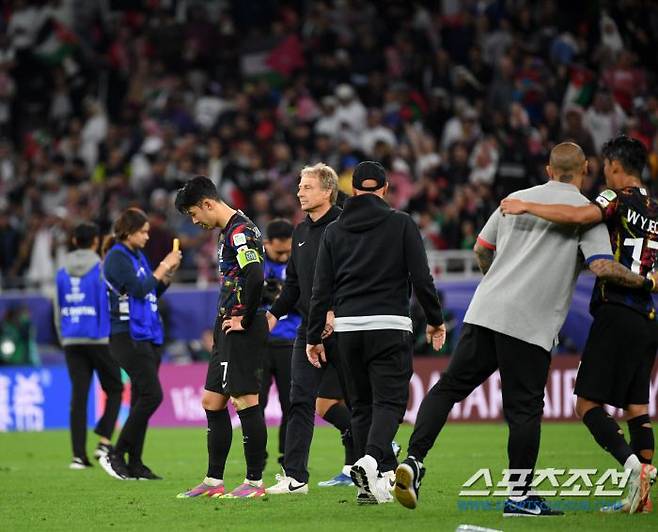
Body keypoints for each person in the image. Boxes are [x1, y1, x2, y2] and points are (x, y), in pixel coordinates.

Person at [394, 142, 657, 516]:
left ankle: (415, 459)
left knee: (450, 387)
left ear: (549, 170)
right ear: (585, 169)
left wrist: (500, 281)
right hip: (531, 324)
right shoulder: (586, 213)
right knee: (524, 411)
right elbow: (602, 267)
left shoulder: (514, 198)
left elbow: (482, 249)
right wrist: (645, 281)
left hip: (485, 311)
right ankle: (519, 496)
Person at [500, 135, 658, 513]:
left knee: (586, 403)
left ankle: (633, 468)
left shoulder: (613, 197)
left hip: (616, 309)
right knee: (637, 406)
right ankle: (643, 500)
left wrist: (528, 206)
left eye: (605, 165)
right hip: (648, 316)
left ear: (616, 166)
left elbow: (578, 216)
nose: (601, 172)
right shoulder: (654, 209)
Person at [306, 161, 446, 505]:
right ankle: (368, 461)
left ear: (353, 191)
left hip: (347, 331)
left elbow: (320, 290)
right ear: (385, 190)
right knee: (390, 402)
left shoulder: (334, 231)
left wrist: (313, 336)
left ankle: (369, 488)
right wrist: (435, 320)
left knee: (361, 406)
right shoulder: (400, 223)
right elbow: (421, 277)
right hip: (390, 326)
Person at [265, 163, 358, 496]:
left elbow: (354, 276)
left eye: (306, 187)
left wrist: (336, 310)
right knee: (299, 401)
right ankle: (295, 478)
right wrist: (273, 315)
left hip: (345, 328)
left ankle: (377, 461)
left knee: (358, 403)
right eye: (299, 187)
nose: (299, 192)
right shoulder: (300, 233)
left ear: (328, 191)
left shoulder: (347, 227)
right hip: (308, 329)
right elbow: (293, 284)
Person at [174, 176, 269, 499]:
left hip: (241, 324)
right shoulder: (228, 232)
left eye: (193, 214)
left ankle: (254, 483)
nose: (194, 221)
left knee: (245, 400)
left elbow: (256, 275)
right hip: (227, 324)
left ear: (208, 204)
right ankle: (214, 482)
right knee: (212, 401)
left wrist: (245, 315)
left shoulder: (241, 232)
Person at [98, 208, 181, 480]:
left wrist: (166, 276)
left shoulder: (137, 256)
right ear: (128, 232)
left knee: (139, 398)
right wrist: (162, 266)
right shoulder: (117, 257)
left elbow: (151, 292)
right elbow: (137, 289)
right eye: (143, 231)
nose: (147, 236)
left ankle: (135, 462)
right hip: (126, 334)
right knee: (152, 395)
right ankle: (115, 452)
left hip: (147, 332)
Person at [54, 222, 123, 469]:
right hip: (98, 338)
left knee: (79, 397)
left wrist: (65, 337)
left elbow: (57, 308)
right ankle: (104, 438)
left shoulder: (61, 270)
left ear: (74, 241)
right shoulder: (102, 269)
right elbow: (109, 304)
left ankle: (77, 456)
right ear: (95, 242)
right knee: (115, 388)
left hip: (72, 339)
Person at [259, 218, 299, 467]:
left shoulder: (298, 263)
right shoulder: (255, 264)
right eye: (279, 251)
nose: (285, 256)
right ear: (266, 244)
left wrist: (284, 295)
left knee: (291, 404)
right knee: (256, 404)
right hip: (260, 344)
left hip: (289, 343)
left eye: (288, 250)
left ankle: (288, 457)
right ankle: (257, 457)